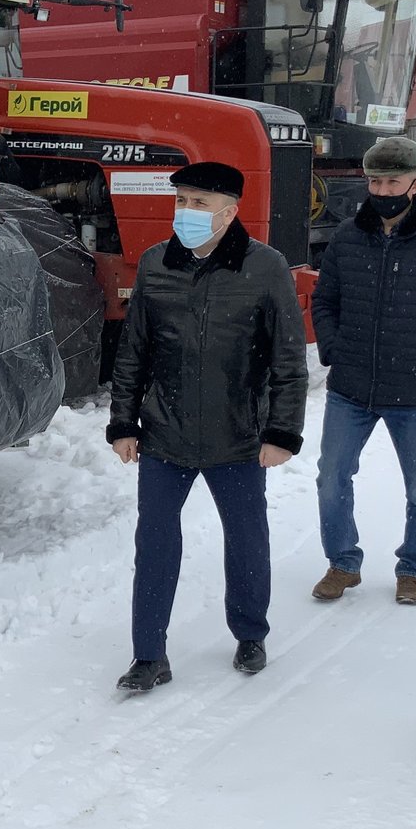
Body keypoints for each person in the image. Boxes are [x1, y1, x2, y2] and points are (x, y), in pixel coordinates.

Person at [107, 161, 308, 691]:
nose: (187, 213)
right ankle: (148, 654)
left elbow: (289, 361)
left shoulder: (265, 268)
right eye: (181, 202)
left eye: (199, 204)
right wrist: (123, 421)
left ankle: (250, 632)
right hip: (165, 433)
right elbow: (134, 352)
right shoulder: (155, 264)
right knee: (154, 542)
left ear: (230, 211)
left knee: (245, 540)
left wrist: (281, 432)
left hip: (238, 435)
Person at [310, 135, 416, 606]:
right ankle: (342, 562)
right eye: (375, 181)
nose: (382, 190)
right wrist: (336, 348)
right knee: (331, 477)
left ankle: (414, 568)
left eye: (393, 181)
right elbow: (325, 299)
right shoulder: (347, 234)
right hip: (351, 386)